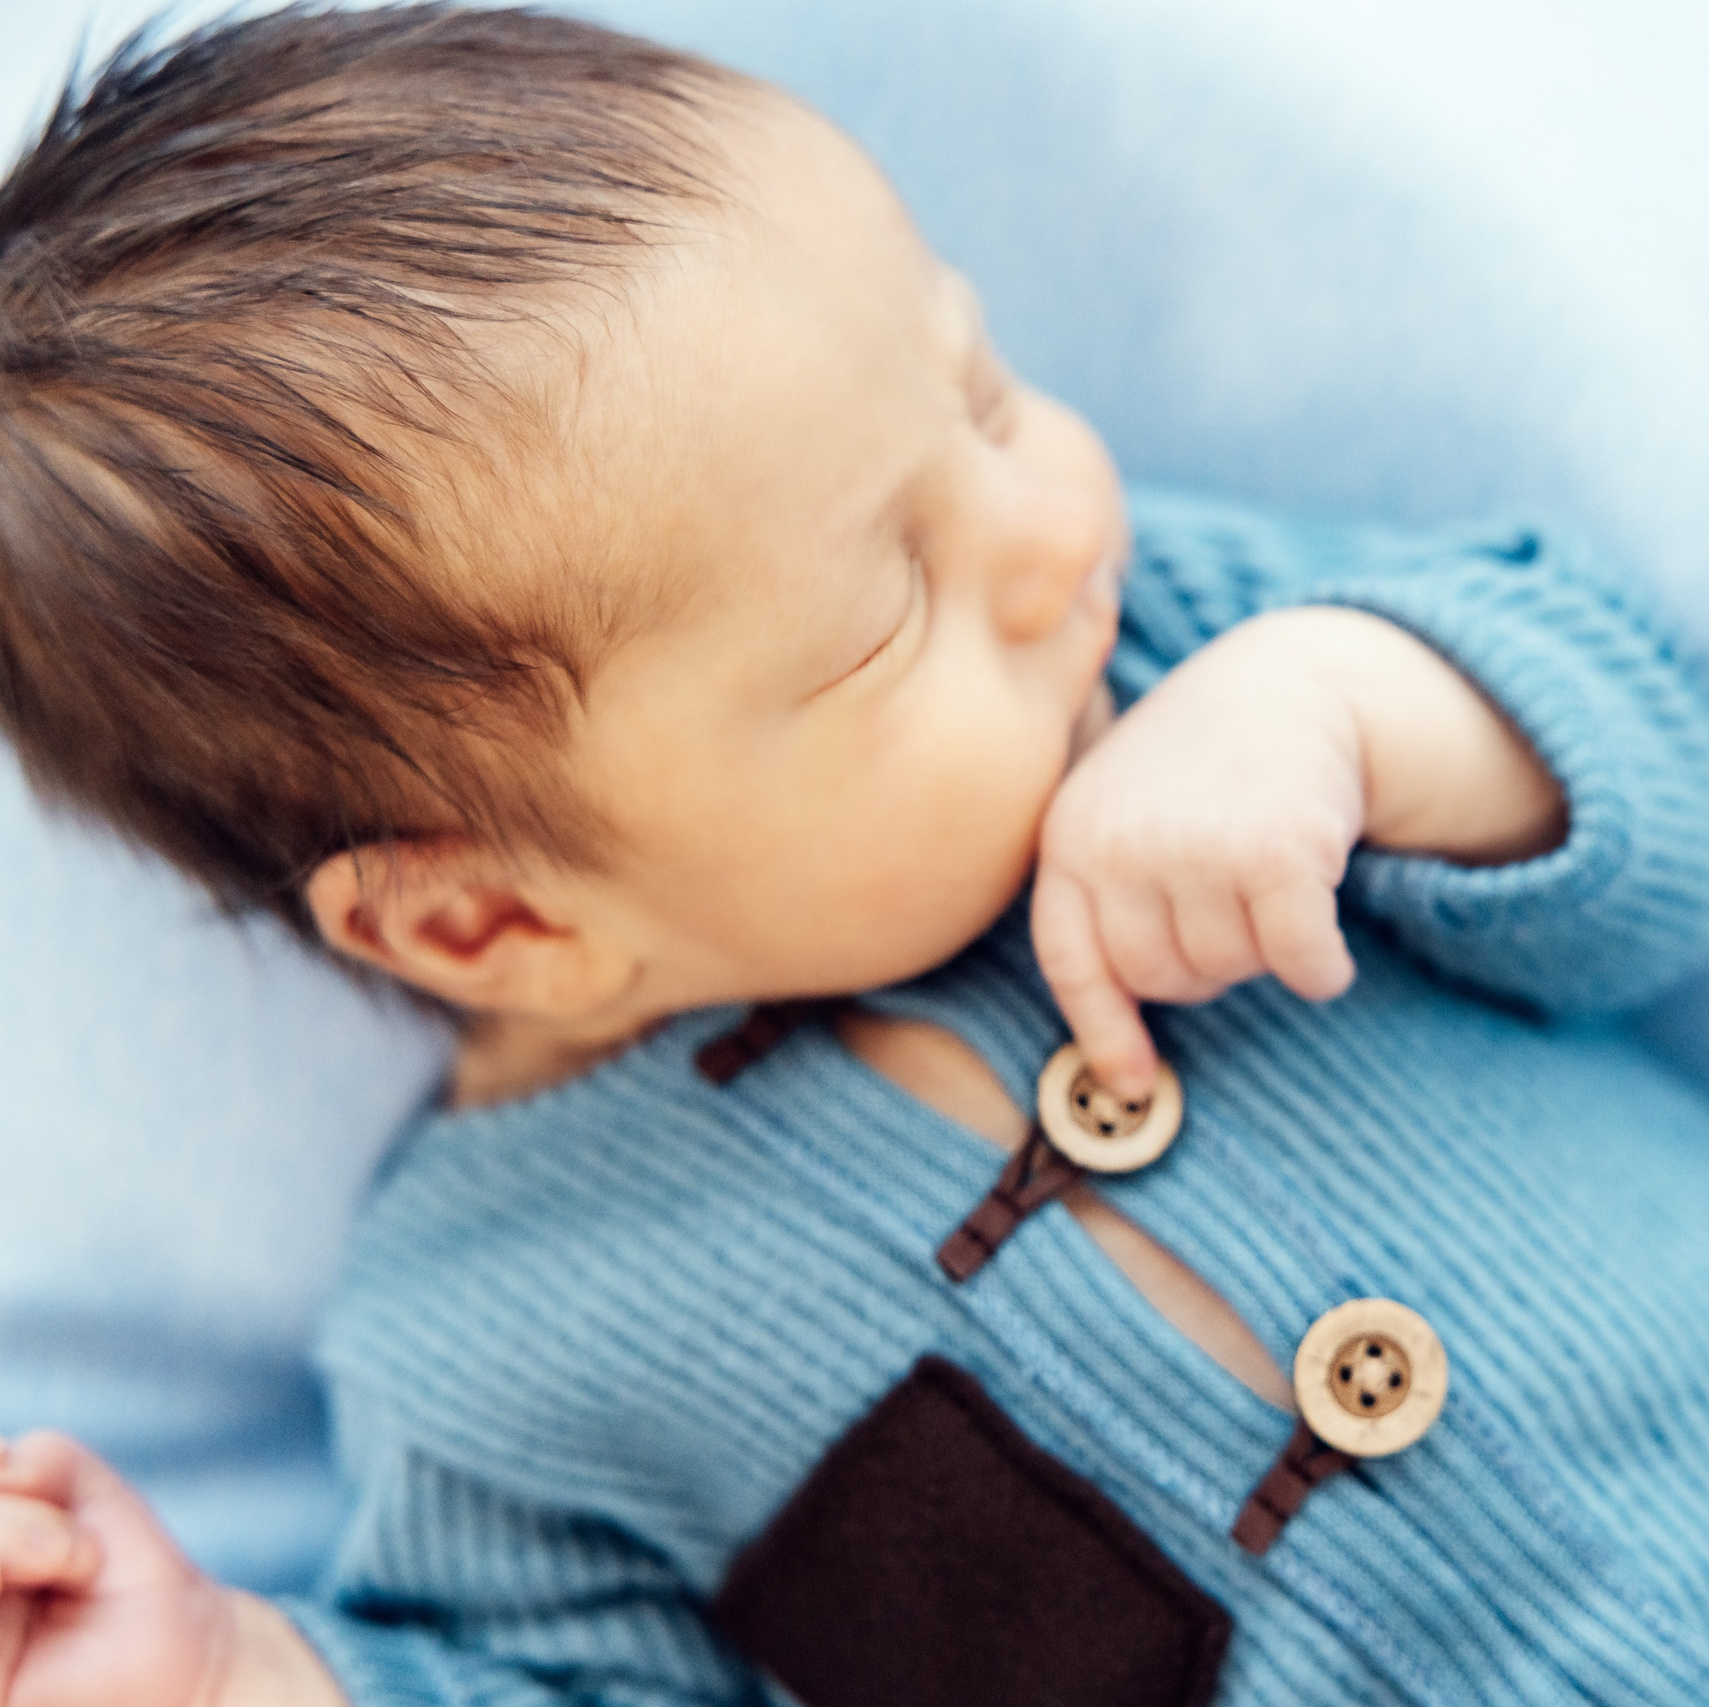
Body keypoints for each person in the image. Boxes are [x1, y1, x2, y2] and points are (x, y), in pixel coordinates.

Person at [2, 7, 1709, 1704]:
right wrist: (229, 1674)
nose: (1051, 533)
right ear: (492, 916)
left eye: (980, 395)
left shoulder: (1177, 663)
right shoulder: (497, 1333)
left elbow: (1653, 786)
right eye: (888, 612)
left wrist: (1351, 708)